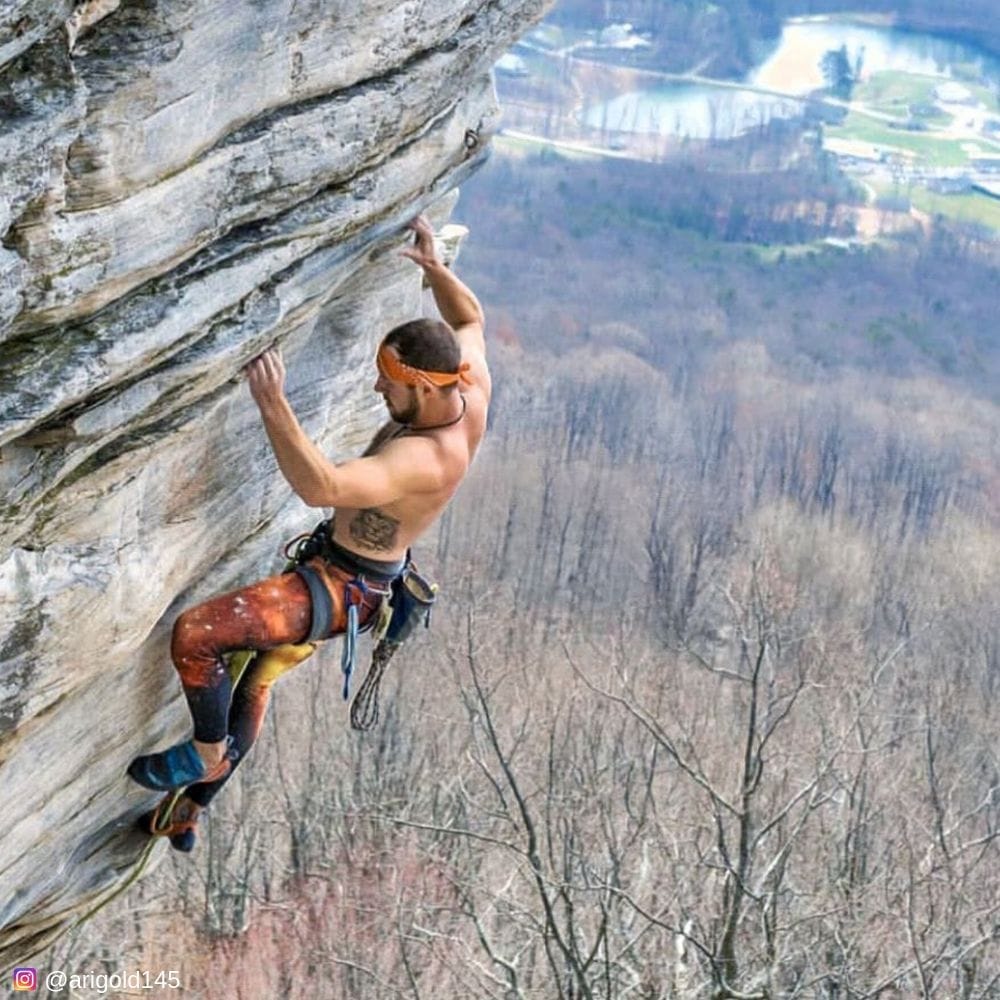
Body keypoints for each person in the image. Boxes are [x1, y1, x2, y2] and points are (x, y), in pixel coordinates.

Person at [128, 215, 490, 849]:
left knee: (198, 636)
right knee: (257, 683)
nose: (379, 385)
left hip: (339, 587)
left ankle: (205, 754)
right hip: (353, 578)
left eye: (392, 381)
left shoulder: (423, 459)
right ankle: (185, 813)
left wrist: (273, 404)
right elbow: (471, 323)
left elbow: (321, 486)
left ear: (428, 387)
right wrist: (438, 273)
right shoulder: (468, 385)